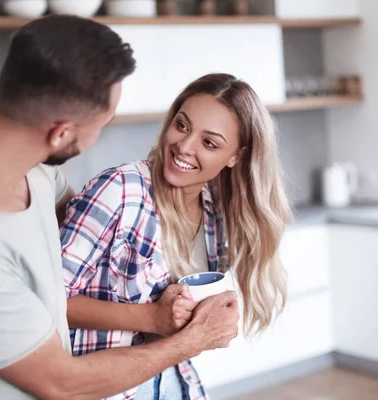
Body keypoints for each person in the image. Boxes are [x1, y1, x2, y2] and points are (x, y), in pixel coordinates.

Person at [0, 16, 239, 400]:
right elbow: (62, 384)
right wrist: (192, 339)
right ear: (61, 133)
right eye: (103, 123)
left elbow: (86, 224)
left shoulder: (26, 163)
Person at [60, 73, 292, 399]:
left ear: (235, 157)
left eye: (209, 143)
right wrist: (151, 318)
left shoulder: (214, 211)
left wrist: (207, 316)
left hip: (172, 379)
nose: (183, 146)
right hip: (106, 388)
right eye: (182, 126)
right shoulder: (121, 190)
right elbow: (50, 300)